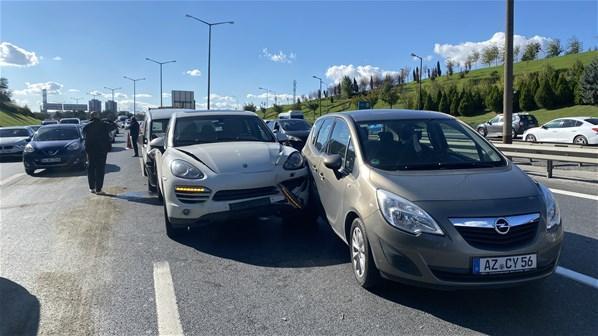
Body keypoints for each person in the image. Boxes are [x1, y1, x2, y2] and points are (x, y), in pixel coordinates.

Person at [82, 112, 115, 195]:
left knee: (91, 168)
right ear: (98, 116)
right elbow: (114, 126)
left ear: (91, 117)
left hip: (90, 150)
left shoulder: (87, 126)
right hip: (101, 150)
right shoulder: (103, 124)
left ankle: (91, 187)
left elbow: (83, 135)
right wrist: (108, 120)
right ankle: (98, 189)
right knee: (100, 169)